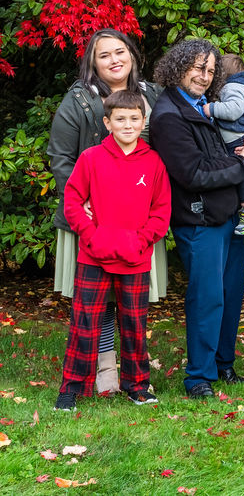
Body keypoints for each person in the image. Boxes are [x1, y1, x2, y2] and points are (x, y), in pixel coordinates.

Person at [47, 28, 166, 395]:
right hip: (93, 221)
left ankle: (127, 370)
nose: (114, 60)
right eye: (104, 55)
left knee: (128, 300)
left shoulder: (152, 95)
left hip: (138, 223)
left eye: (121, 51)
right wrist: (85, 202)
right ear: (92, 63)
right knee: (94, 300)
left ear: (132, 54)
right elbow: (61, 157)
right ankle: (103, 369)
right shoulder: (81, 101)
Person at [149, 38, 244, 398]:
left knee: (229, 294)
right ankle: (198, 377)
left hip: (227, 216)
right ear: (180, 66)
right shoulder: (169, 115)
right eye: (198, 67)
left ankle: (223, 365)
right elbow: (193, 173)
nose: (204, 75)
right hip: (199, 221)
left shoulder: (201, 106)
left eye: (211, 70)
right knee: (207, 297)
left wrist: (237, 158)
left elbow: (215, 160)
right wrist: (242, 163)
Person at [204, 53, 244, 235]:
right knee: (237, 173)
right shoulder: (240, 86)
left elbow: (234, 110)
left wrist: (211, 109)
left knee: (240, 173)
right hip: (237, 136)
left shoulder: (233, 87)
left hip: (236, 138)